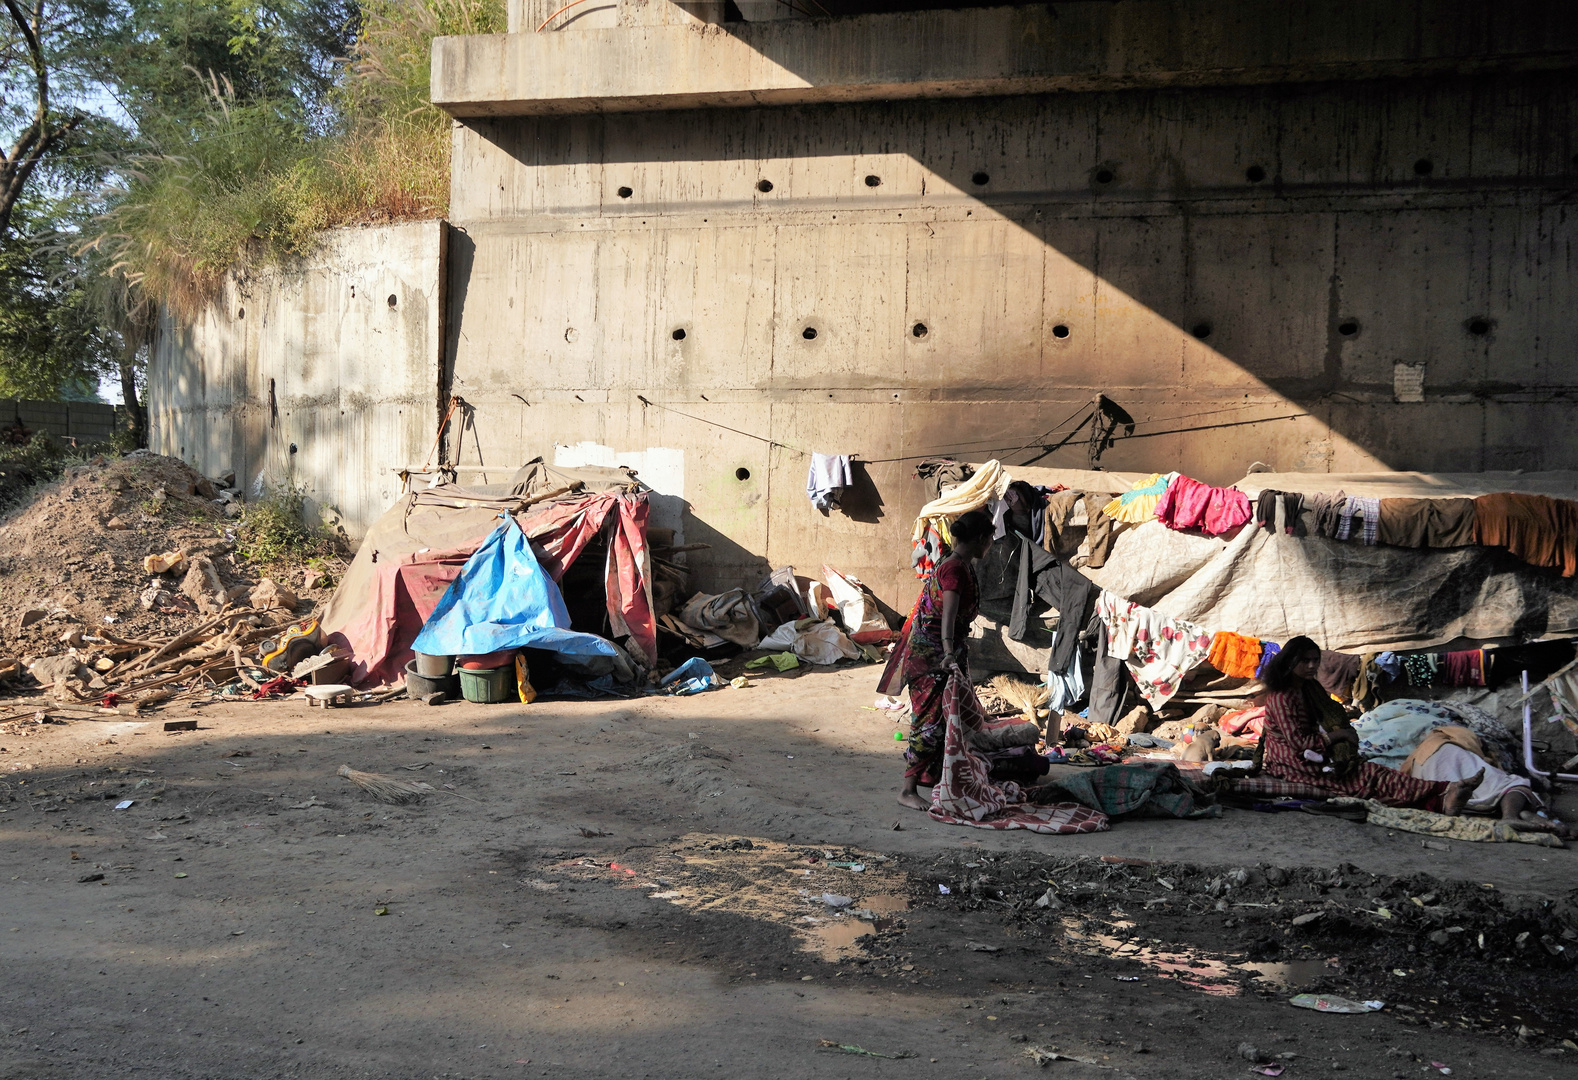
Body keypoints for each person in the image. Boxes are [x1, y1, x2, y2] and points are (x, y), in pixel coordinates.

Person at [1258, 636, 1478, 813]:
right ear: (1290, 661)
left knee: (1374, 774)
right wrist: (1342, 735)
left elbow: (1323, 721)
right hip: (1290, 763)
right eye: (1305, 660)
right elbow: (1299, 744)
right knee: (1369, 776)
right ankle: (1444, 791)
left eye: (1315, 660)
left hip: (1312, 754)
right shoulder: (1282, 697)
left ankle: (1442, 797)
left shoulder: (1306, 687)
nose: (1312, 665)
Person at [878, 509, 995, 811]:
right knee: (928, 723)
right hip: (932, 657)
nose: (991, 545)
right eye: (991, 538)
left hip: (939, 654)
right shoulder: (954, 570)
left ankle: (930, 775)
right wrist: (947, 654)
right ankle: (907, 789)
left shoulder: (956, 563)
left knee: (942, 720)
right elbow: (947, 618)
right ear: (981, 538)